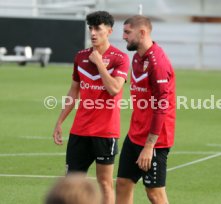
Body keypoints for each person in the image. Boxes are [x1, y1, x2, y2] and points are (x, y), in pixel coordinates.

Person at [52, 11, 129, 204]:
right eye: (91, 28)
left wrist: (99, 64)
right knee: (72, 183)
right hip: (80, 131)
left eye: (98, 29)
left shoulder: (120, 58)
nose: (93, 33)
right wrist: (60, 121)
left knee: (104, 183)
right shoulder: (80, 57)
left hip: (105, 133)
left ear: (109, 31)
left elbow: (114, 88)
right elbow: (73, 92)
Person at [116, 15, 176, 204]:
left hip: (155, 141)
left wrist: (149, 146)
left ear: (142, 33)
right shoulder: (136, 58)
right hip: (135, 135)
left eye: (127, 32)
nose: (124, 37)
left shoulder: (158, 64)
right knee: (123, 184)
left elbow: (161, 106)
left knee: (154, 194)